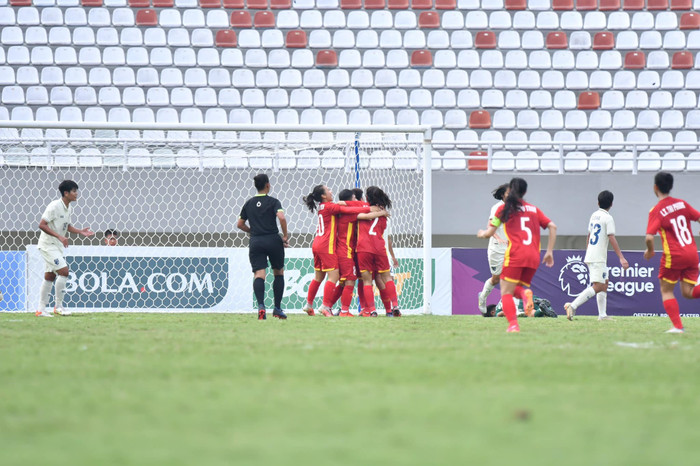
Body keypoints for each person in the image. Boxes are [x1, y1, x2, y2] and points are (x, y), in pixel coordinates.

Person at [477, 178, 557, 333]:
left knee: (506, 291)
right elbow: (552, 226)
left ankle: (513, 324)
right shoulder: (533, 209)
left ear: (512, 191)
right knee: (512, 287)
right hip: (533, 255)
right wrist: (549, 252)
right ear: (525, 192)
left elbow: (488, 232)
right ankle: (524, 297)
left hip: (514, 253)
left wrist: (482, 234)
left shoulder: (505, 209)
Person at [302, 184, 374, 317]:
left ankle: (309, 304)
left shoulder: (322, 207)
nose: (331, 190)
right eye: (328, 189)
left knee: (319, 277)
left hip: (317, 243)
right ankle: (326, 306)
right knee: (334, 276)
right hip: (326, 246)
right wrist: (369, 208)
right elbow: (349, 210)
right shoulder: (330, 207)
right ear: (323, 196)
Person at [644, 171, 700, 333]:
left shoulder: (657, 210)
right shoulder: (682, 204)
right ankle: (677, 327)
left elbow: (649, 237)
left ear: (655, 187)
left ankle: (677, 327)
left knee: (666, 290)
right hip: (691, 253)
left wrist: (650, 251)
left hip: (674, 256)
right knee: (688, 293)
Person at [564, 191, 629, 321]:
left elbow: (589, 235)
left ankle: (602, 315)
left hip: (592, 254)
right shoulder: (608, 218)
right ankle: (573, 305)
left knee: (604, 283)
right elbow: (611, 237)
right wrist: (621, 257)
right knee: (599, 286)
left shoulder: (594, 215)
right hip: (598, 257)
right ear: (611, 204)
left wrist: (588, 251)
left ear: (598, 203)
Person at [36, 180, 94, 317]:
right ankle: (59, 306)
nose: (76, 194)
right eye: (74, 191)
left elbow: (66, 226)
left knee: (49, 276)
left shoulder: (68, 207)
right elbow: (42, 225)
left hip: (56, 246)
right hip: (47, 245)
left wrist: (80, 231)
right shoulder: (54, 206)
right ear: (66, 193)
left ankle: (41, 309)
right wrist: (60, 237)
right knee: (64, 271)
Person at [237, 174, 289, 320]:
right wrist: (285, 236)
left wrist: (252, 231)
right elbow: (282, 217)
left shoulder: (249, 203)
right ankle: (277, 308)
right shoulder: (273, 202)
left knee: (259, 275)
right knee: (278, 272)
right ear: (268, 185)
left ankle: (261, 307)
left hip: (256, 241)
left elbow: (239, 224)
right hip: (273, 240)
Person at [333, 189, 389, 316]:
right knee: (355, 280)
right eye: (356, 198)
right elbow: (361, 213)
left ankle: (365, 309)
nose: (358, 201)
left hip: (360, 250)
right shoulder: (355, 210)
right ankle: (338, 308)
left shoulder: (359, 208)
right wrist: (381, 212)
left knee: (362, 279)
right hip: (355, 250)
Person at [356, 186, 401, 317]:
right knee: (386, 278)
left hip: (364, 248)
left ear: (368, 198)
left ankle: (372, 310)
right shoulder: (384, 215)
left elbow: (357, 215)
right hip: (379, 247)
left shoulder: (363, 209)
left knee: (367, 281)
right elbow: (386, 235)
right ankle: (395, 306)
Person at [478, 184, 509, 315]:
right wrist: (497, 237)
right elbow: (490, 226)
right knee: (496, 279)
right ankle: (482, 297)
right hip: (497, 248)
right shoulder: (497, 208)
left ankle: (509, 309)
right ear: (503, 194)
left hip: (511, 248)